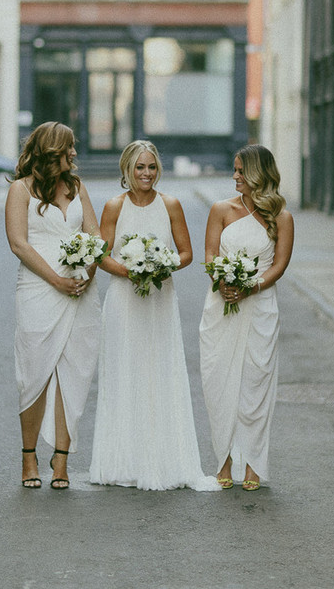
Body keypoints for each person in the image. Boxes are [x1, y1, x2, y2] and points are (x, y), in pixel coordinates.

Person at [90, 140, 218, 491]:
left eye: (151, 167)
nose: (146, 174)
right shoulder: (113, 207)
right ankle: (124, 460)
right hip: (123, 301)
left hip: (160, 298)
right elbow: (102, 255)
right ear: (127, 170)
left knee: (160, 371)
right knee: (124, 372)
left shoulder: (171, 205)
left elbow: (187, 253)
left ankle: (165, 460)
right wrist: (130, 271)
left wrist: (161, 265)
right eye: (139, 168)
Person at [5, 122, 102, 490]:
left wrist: (88, 273)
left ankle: (61, 461)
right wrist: (57, 280)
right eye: (69, 148)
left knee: (74, 372)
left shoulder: (77, 187)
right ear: (51, 151)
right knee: (35, 372)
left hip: (81, 291)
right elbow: (19, 244)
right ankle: (29, 456)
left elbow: (95, 236)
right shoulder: (20, 189)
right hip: (38, 288)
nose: (75, 153)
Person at [199, 145, 294, 490]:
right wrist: (221, 280)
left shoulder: (280, 215)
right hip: (220, 306)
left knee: (255, 384)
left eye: (241, 171)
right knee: (218, 380)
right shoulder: (221, 209)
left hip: (260, 308)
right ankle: (223, 459)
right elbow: (210, 254)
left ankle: (252, 464)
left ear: (258, 173)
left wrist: (251, 287)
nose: (235, 176)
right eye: (235, 170)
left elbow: (280, 265)